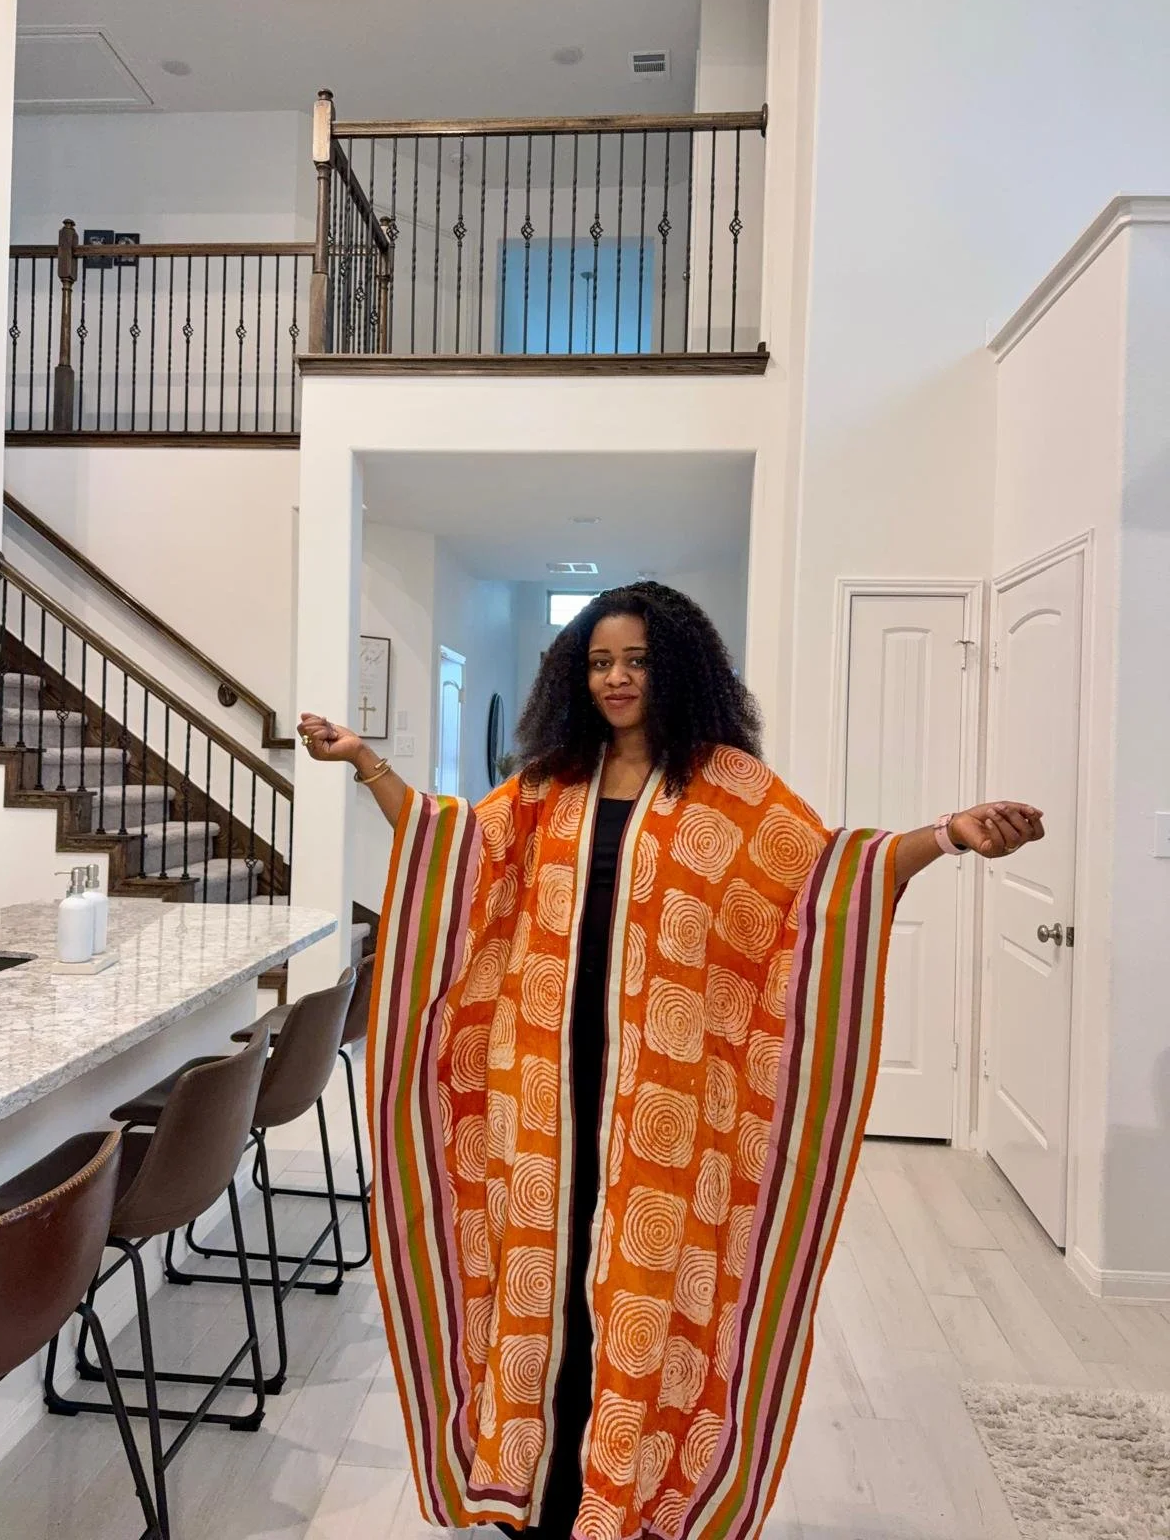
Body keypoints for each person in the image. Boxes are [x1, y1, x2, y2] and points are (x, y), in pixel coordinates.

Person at [298, 582, 1042, 1540]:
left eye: (638, 661)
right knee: (545, 1274)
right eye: (600, 662)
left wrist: (944, 838)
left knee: (639, 1283)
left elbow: (828, 876)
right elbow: (457, 851)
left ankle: (626, 1493)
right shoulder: (549, 784)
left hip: (664, 1096)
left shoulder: (731, 788)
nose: (617, 678)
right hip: (543, 1087)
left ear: (677, 669)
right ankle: (537, 1493)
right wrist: (366, 764)